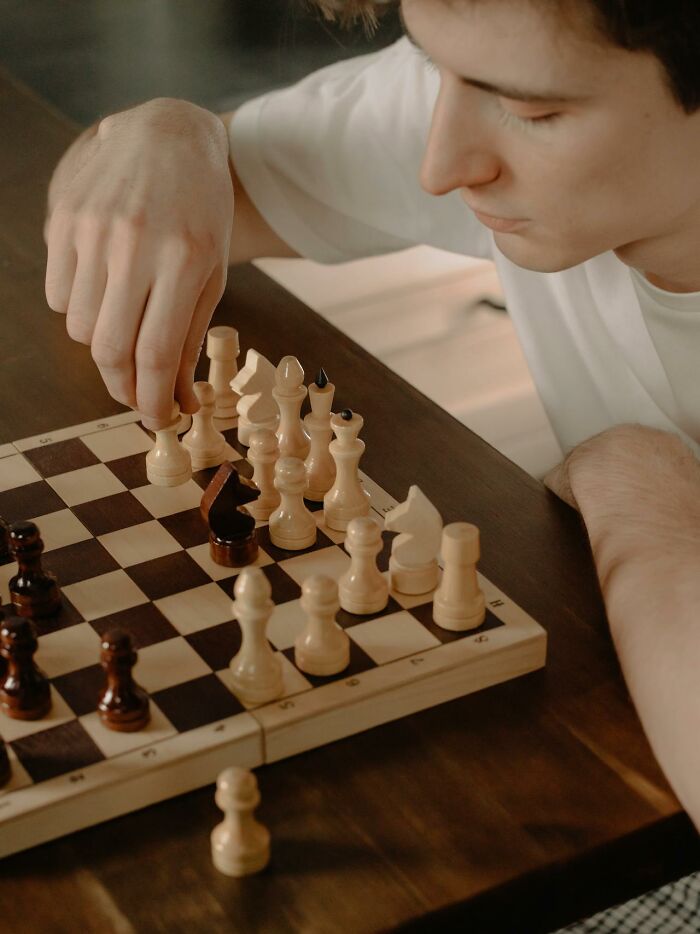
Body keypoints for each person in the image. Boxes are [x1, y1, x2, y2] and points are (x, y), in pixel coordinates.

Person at [44, 0, 700, 924]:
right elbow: (169, 202)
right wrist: (161, 131)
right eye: (432, 66)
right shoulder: (504, 77)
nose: (440, 162)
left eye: (536, 113)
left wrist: (634, 480)